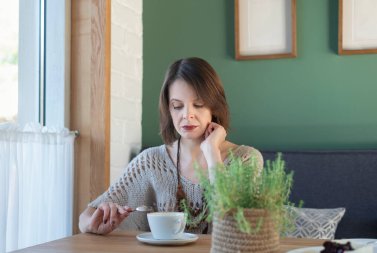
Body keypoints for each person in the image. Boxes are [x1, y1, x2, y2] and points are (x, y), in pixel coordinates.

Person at [78, 57, 263, 235]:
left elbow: (239, 229)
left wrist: (212, 152)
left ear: (214, 107)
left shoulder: (245, 159)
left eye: (198, 104)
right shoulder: (150, 161)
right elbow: (85, 217)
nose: (187, 115)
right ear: (168, 109)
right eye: (177, 106)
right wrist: (94, 223)